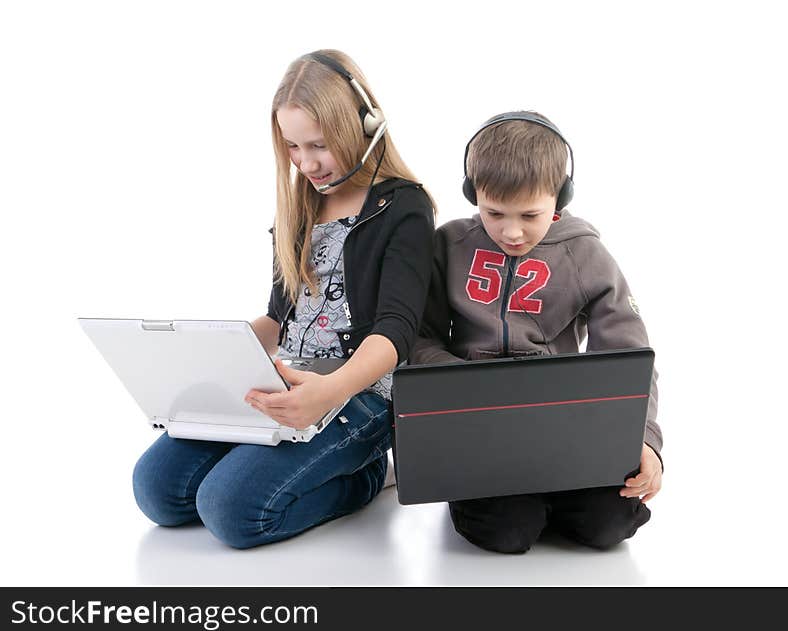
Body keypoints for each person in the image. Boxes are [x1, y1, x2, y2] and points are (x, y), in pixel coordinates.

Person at [132, 50, 435, 549]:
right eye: (293, 147)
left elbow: (396, 332)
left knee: (230, 511)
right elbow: (280, 316)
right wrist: (215, 358)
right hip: (289, 382)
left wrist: (331, 389)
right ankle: (288, 463)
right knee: (158, 492)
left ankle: (365, 475)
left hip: (358, 395)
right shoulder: (301, 201)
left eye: (319, 145)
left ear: (364, 127)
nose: (306, 162)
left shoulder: (404, 207)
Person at [411, 111, 663, 554]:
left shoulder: (585, 253)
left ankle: (553, 497)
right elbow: (419, 340)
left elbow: (630, 356)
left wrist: (644, 440)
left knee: (609, 524)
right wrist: (461, 381)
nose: (511, 231)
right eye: (493, 213)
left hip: (561, 430)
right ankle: (522, 503)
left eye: (530, 214)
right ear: (473, 194)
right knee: (506, 532)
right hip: (478, 426)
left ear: (561, 196)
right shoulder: (447, 246)